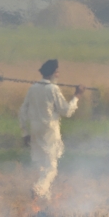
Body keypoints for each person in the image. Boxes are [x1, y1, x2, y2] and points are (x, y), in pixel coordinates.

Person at [19, 59, 85, 200]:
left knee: (42, 165)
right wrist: (77, 96)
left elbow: (22, 111)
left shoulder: (33, 88)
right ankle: (39, 189)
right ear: (53, 73)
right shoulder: (53, 89)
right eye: (57, 71)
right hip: (49, 132)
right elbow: (66, 111)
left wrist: (25, 133)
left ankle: (45, 199)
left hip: (35, 131)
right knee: (51, 168)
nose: (59, 74)